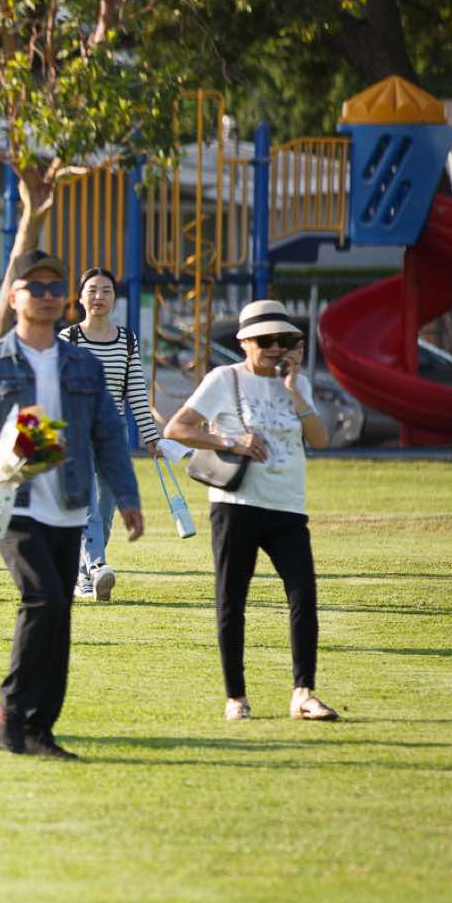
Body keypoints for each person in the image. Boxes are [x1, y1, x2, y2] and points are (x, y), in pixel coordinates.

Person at [0, 251, 144, 760]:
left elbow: (107, 433)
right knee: (45, 600)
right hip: (13, 502)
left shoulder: (82, 364)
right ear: (14, 297)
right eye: (36, 288)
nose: (49, 296)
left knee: (61, 616)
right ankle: (11, 712)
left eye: (56, 287)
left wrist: (127, 497)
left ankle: (40, 729)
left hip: (71, 505)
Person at [164, 299, 338, 723]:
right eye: (266, 340)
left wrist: (294, 390)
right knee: (232, 601)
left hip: (288, 507)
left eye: (283, 340)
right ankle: (236, 697)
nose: (276, 348)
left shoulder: (296, 383)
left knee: (303, 597)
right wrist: (231, 442)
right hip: (236, 506)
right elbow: (177, 428)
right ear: (244, 342)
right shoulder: (224, 379)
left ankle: (303, 694)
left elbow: (320, 438)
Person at [60, 267, 164, 600]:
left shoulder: (127, 340)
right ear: (80, 298)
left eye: (106, 290)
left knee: (105, 509)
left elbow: (136, 391)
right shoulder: (68, 338)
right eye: (91, 290)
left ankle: (85, 571)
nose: (98, 297)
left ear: (115, 298)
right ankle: (95, 566)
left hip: (112, 433)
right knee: (88, 503)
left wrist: (150, 436)